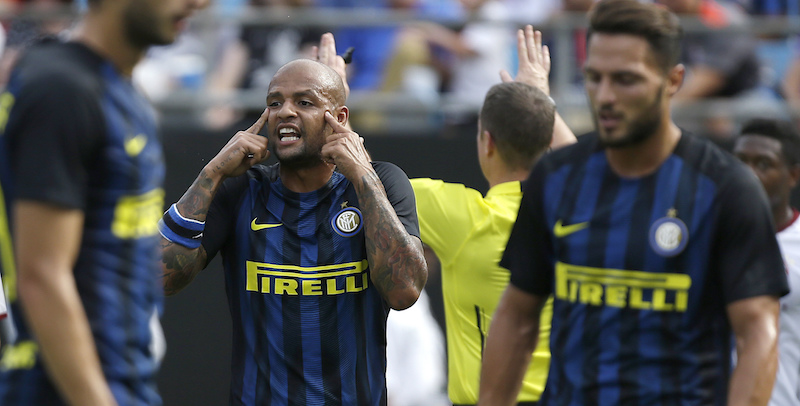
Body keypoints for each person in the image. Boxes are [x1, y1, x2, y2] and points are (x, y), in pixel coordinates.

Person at [479, 1, 789, 405]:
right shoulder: (555, 178)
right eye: (594, 78)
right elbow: (517, 316)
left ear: (673, 80)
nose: (605, 96)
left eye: (625, 80)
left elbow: (758, 335)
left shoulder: (727, 188)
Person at [158, 33, 427, 405]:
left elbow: (405, 291)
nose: (284, 111)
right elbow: (158, 279)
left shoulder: (382, 182)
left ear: (340, 119)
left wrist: (363, 176)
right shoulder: (239, 191)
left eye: (304, 102)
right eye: (274, 102)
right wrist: (211, 174)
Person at [0, 0, 210, 405]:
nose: (199, 3)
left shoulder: (125, 95)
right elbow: (42, 275)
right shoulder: (60, 88)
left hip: (123, 386)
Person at [411, 25, 575, 406]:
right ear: (545, 138)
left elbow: (359, 173)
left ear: (487, 142)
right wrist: (542, 100)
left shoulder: (461, 216)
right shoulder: (579, 210)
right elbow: (592, 171)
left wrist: (334, 105)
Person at [733, 118, 800, 406]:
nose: (748, 173)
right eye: (740, 161)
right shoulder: (705, 235)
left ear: (793, 175)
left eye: (763, 164)